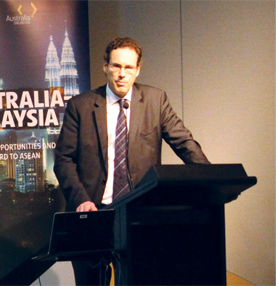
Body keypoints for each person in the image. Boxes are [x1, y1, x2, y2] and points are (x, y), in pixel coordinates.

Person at [54, 37, 210, 285]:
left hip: (140, 211)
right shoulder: (80, 106)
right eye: (116, 66)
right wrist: (81, 199)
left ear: (137, 69)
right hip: (95, 211)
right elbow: (63, 160)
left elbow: (184, 143)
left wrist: (208, 180)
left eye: (128, 68)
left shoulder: (155, 100)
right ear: (105, 66)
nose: (121, 75)